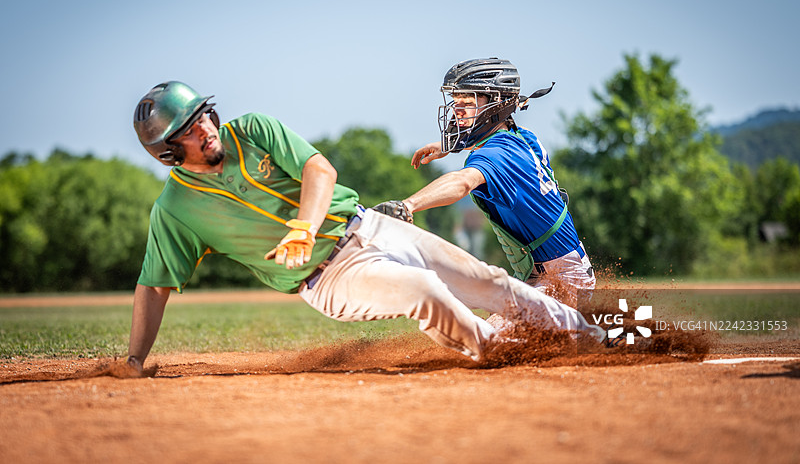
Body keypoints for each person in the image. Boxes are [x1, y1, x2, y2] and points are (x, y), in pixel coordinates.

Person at [125, 80, 602, 375]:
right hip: (328, 276)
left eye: (203, 115)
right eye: (188, 128)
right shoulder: (176, 208)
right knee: (424, 291)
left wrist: (303, 227)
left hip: (369, 225)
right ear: (168, 151)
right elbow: (154, 285)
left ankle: (593, 339)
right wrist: (133, 361)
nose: (205, 127)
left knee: (489, 281)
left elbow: (319, 170)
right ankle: (502, 352)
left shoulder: (251, 130)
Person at [378, 58, 595, 310]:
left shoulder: (496, 154)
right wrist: (452, 146)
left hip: (563, 282)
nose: (457, 110)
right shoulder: (520, 137)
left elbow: (461, 182)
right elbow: (493, 145)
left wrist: (408, 205)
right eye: (456, 102)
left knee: (487, 335)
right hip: (554, 273)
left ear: (496, 105)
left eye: (468, 103)